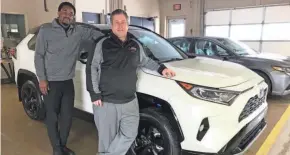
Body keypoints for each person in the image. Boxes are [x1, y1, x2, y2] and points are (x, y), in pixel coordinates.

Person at [86, 9, 176, 155]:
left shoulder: (134, 45)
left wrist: (162, 69)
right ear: (112, 25)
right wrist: (94, 94)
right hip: (107, 102)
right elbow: (92, 67)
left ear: (127, 24)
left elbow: (145, 61)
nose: (120, 26)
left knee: (130, 134)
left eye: (123, 22)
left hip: (129, 102)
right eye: (116, 22)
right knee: (106, 141)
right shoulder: (102, 44)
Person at [34, 2, 102, 155]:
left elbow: (95, 35)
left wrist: (113, 40)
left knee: (67, 117)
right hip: (50, 82)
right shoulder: (46, 31)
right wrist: (42, 79)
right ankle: (57, 149)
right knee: (52, 117)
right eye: (65, 11)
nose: (67, 15)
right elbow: (39, 56)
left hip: (67, 82)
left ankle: (62, 145)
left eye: (71, 13)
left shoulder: (77, 31)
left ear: (73, 17)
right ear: (58, 13)